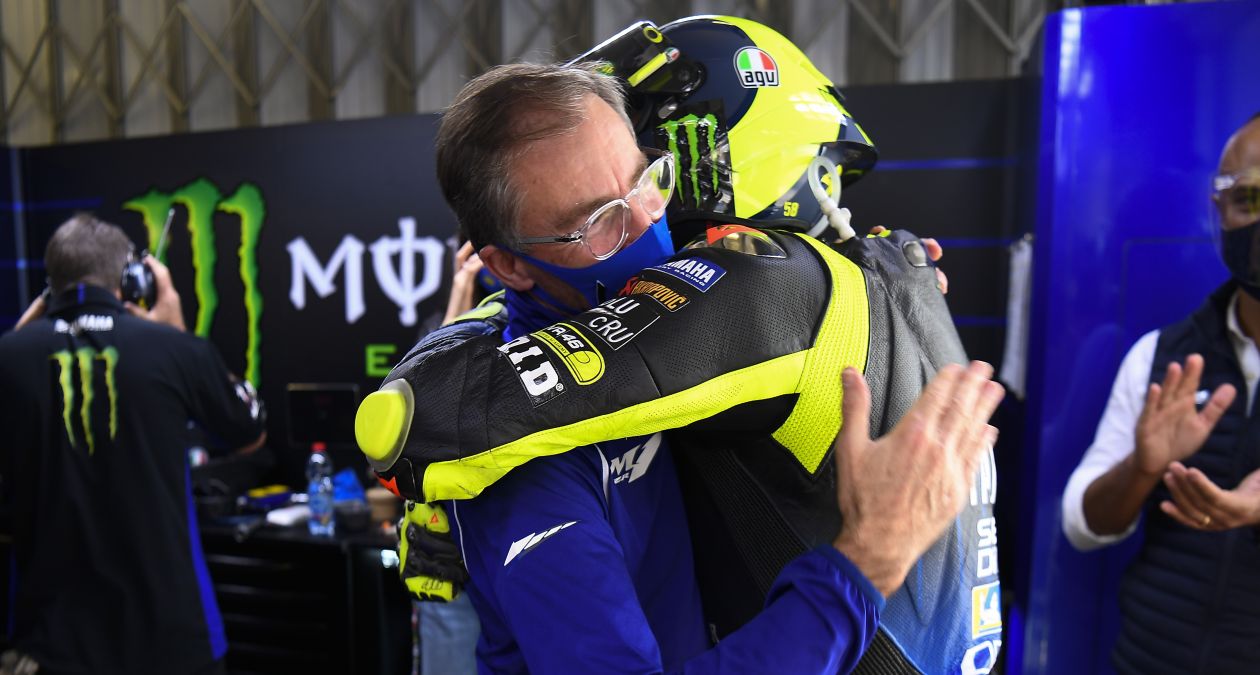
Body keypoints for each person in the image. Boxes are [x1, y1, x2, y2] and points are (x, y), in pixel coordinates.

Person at [360, 17, 1004, 673]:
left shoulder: (667, 336)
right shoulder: (524, 458)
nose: (648, 221)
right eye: (600, 221)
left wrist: (866, 293)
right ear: (509, 265)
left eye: (647, 180)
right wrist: (868, 561)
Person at [0, 215, 267, 675]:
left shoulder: (9, 357)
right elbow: (250, 432)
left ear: (50, 287)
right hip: (171, 642)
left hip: (48, 646)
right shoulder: (175, 349)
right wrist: (180, 334)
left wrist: (21, 334)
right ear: (131, 280)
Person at [1061, 114, 1260, 673]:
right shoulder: (1160, 357)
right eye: (1249, 197)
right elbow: (1081, 524)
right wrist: (1141, 469)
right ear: (1218, 211)